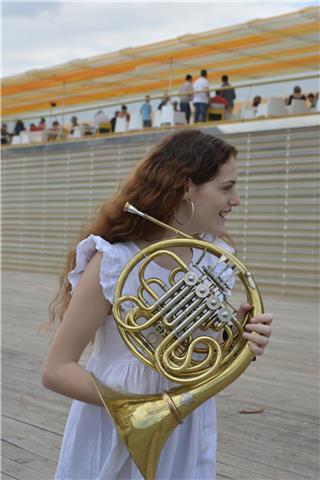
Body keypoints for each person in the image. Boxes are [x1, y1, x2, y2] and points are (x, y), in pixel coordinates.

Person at [42, 129, 272, 480]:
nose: (236, 199)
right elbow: (56, 369)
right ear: (185, 186)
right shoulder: (116, 262)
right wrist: (136, 409)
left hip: (185, 419)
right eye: (226, 188)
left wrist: (237, 340)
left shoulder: (216, 260)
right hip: (116, 420)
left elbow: (197, 354)